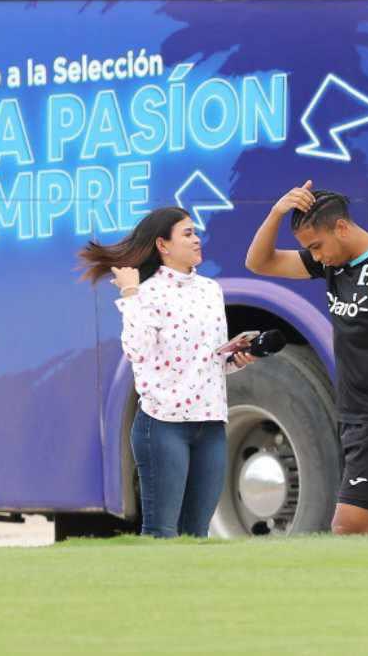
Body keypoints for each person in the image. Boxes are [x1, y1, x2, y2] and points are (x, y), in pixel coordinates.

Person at [245, 182, 368, 536]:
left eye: (316, 246)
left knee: (346, 526)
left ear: (341, 227)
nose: (316, 256)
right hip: (351, 413)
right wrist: (277, 211)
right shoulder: (332, 264)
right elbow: (259, 262)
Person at [79, 207, 256, 538]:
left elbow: (205, 360)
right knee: (162, 532)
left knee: (197, 533)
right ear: (163, 245)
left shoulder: (210, 290)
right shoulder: (145, 293)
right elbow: (137, 350)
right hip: (163, 426)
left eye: (196, 232)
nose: (197, 239)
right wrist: (130, 294)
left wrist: (234, 359)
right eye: (187, 234)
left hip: (211, 422)